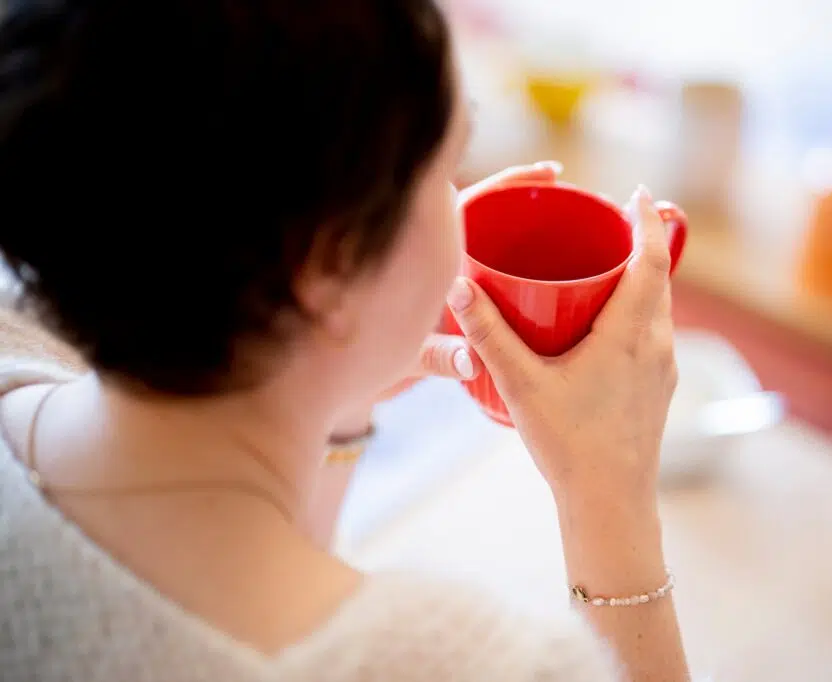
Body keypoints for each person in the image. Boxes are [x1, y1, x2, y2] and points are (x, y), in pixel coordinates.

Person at [0, 1, 689, 680]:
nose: (461, 208)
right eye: (447, 172)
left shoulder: (14, 352)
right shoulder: (454, 662)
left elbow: (241, 564)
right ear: (330, 261)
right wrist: (611, 501)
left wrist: (331, 385)